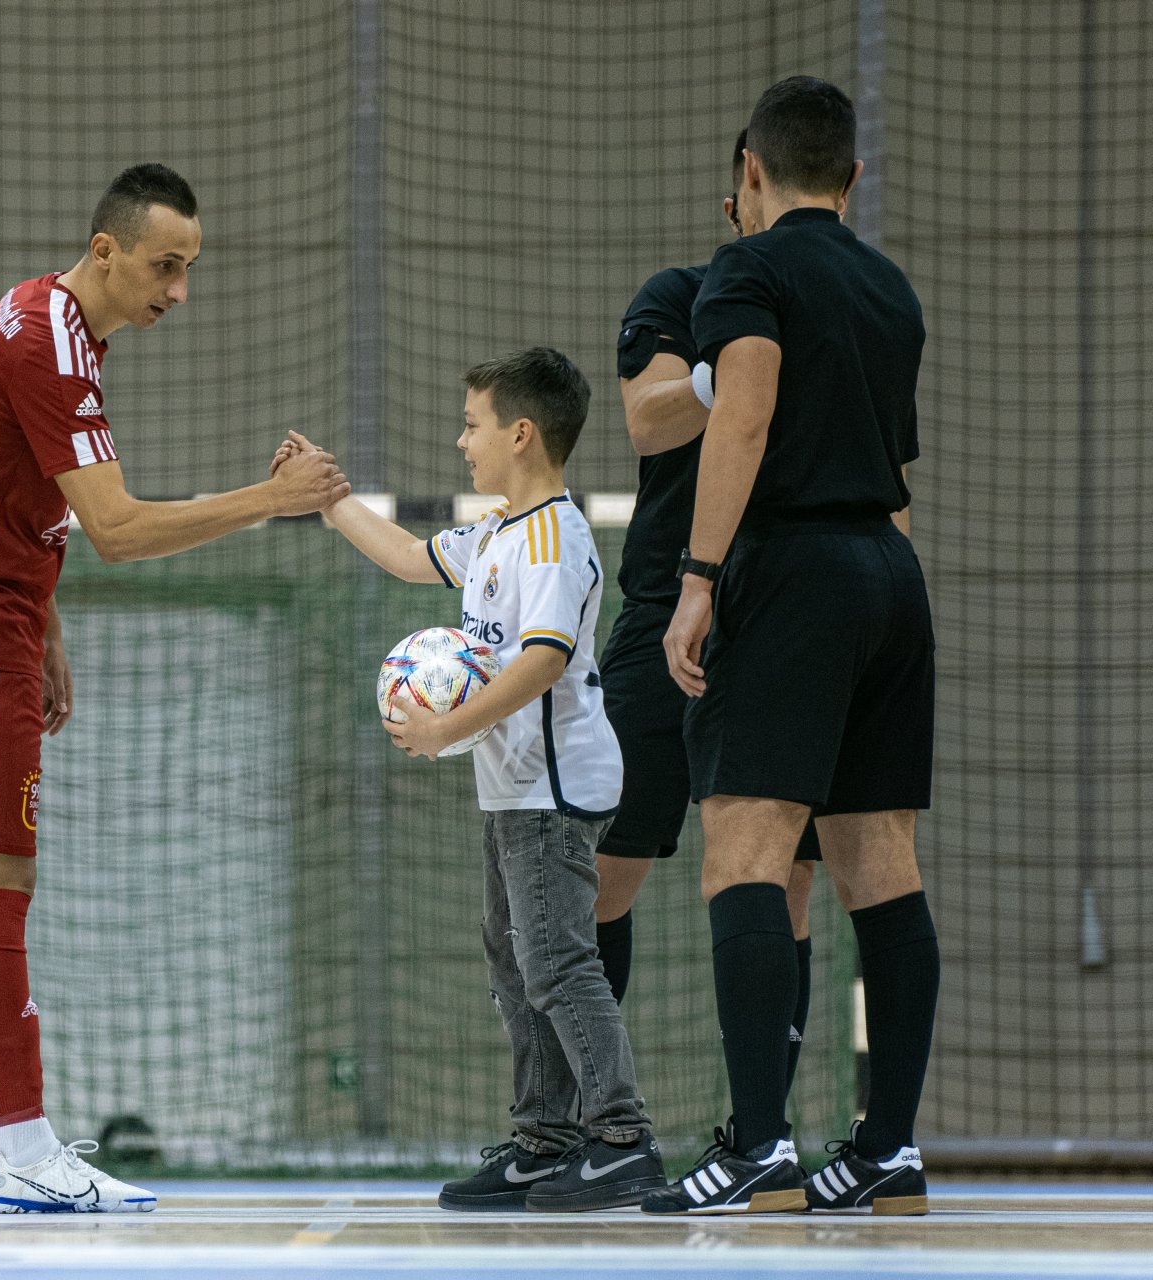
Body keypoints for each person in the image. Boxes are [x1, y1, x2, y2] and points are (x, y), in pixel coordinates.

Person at [0, 163, 349, 1213]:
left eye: (190, 270)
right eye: (166, 267)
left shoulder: (52, 323)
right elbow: (116, 528)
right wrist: (275, 497)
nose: (178, 292)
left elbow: (8, 489)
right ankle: (24, 1146)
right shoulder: (48, 345)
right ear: (108, 250)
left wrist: (49, 624)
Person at [643, 77, 935, 1216]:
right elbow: (896, 470)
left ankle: (760, 1143)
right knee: (882, 870)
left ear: (751, 174)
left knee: (744, 856)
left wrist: (700, 578)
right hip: (890, 576)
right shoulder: (890, 285)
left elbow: (746, 414)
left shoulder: (749, 269)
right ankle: (889, 1148)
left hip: (794, 574)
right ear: (853, 177)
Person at [290, 348, 665, 1214]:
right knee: (513, 960)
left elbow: (542, 661)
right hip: (510, 792)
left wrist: (441, 731)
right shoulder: (497, 531)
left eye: (473, 424)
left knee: (560, 963)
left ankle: (622, 1136)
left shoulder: (553, 538)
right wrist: (333, 500)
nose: (462, 441)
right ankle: (545, 1139)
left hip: (551, 792)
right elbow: (411, 558)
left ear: (521, 433)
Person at [602, 128, 822, 1078]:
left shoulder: (834, 305)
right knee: (600, 874)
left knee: (783, 882)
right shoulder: (681, 296)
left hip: (780, 619)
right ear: (740, 191)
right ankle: (586, 1118)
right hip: (663, 610)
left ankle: (759, 1130)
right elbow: (649, 422)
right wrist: (730, 359)